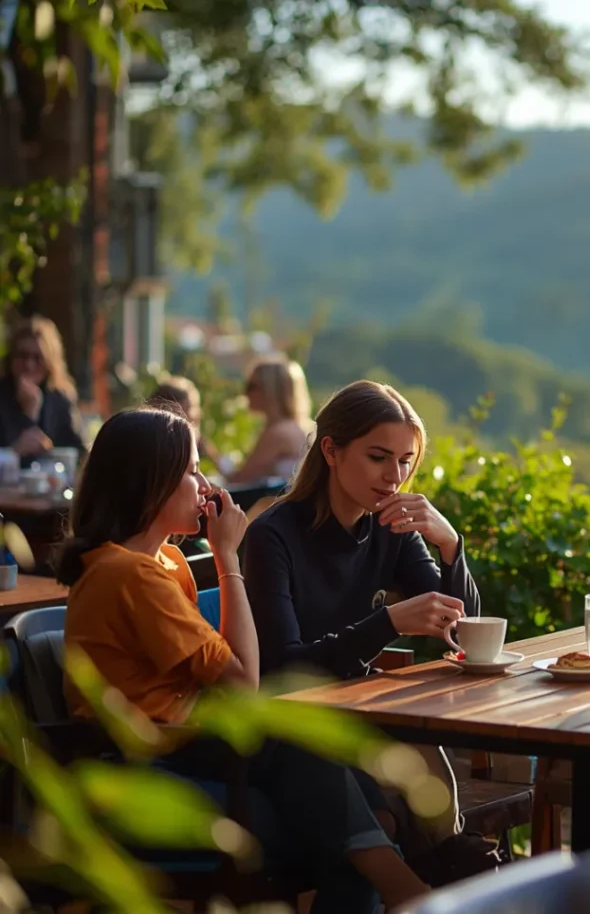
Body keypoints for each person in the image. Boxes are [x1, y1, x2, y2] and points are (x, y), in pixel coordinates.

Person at [58, 406, 429, 913]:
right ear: (151, 483)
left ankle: (391, 870)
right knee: (307, 755)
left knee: (342, 803)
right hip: (152, 754)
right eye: (191, 471)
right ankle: (403, 885)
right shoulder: (127, 575)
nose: (205, 483)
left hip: (198, 741)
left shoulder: (162, 562)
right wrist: (227, 558)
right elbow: (243, 681)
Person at [243, 380, 482, 877]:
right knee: (387, 827)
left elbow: (467, 629)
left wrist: (450, 544)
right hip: (287, 735)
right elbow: (284, 668)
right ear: (330, 449)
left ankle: (446, 867)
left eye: (404, 461)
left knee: (413, 813)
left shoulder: (390, 529)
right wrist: (388, 623)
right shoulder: (273, 536)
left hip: (358, 722)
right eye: (378, 457)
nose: (393, 476)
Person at [0, 316, 84, 462]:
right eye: (22, 356)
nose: (29, 365)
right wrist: (13, 452)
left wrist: (50, 451)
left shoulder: (59, 399)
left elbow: (78, 452)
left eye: (37, 358)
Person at [222, 356, 313, 485]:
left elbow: (238, 481)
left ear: (270, 390)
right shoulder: (296, 427)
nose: (245, 393)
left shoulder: (278, 433)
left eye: (251, 386)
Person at [147, 375, 223, 470]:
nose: (199, 414)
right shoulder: (167, 462)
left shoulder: (202, 449)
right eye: (193, 407)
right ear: (172, 411)